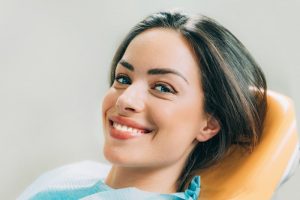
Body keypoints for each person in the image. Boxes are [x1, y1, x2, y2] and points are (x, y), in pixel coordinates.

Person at [18, 10, 267, 200]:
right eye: (123, 79)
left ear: (210, 123)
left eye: (162, 88)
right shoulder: (75, 175)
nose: (125, 99)